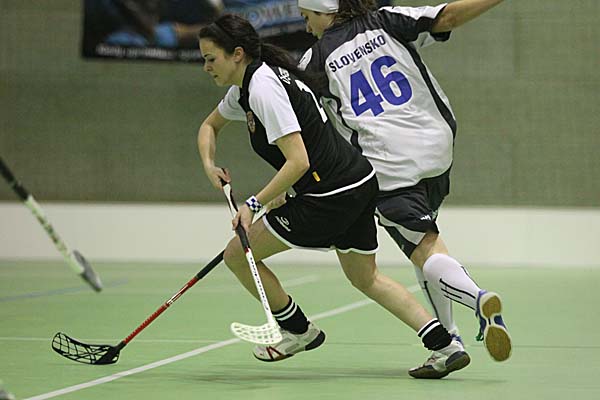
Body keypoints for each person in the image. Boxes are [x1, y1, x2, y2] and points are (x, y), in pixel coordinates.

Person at [197, 13, 469, 378]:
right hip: (358, 182)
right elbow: (209, 125)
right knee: (365, 277)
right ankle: (445, 345)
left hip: (329, 194)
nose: (206, 67)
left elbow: (298, 161)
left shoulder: (263, 89)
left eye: (210, 58)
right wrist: (209, 164)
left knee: (237, 255)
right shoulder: (248, 87)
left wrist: (253, 205)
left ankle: (297, 330)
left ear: (237, 54)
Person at [296, 0, 512, 376]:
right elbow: (448, 15)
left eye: (307, 17)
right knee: (424, 245)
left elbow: (304, 125)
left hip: (389, 165)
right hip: (437, 148)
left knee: (425, 249)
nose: (306, 26)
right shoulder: (386, 20)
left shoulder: (314, 61)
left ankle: (478, 298)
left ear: (325, 12)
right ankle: (448, 345)